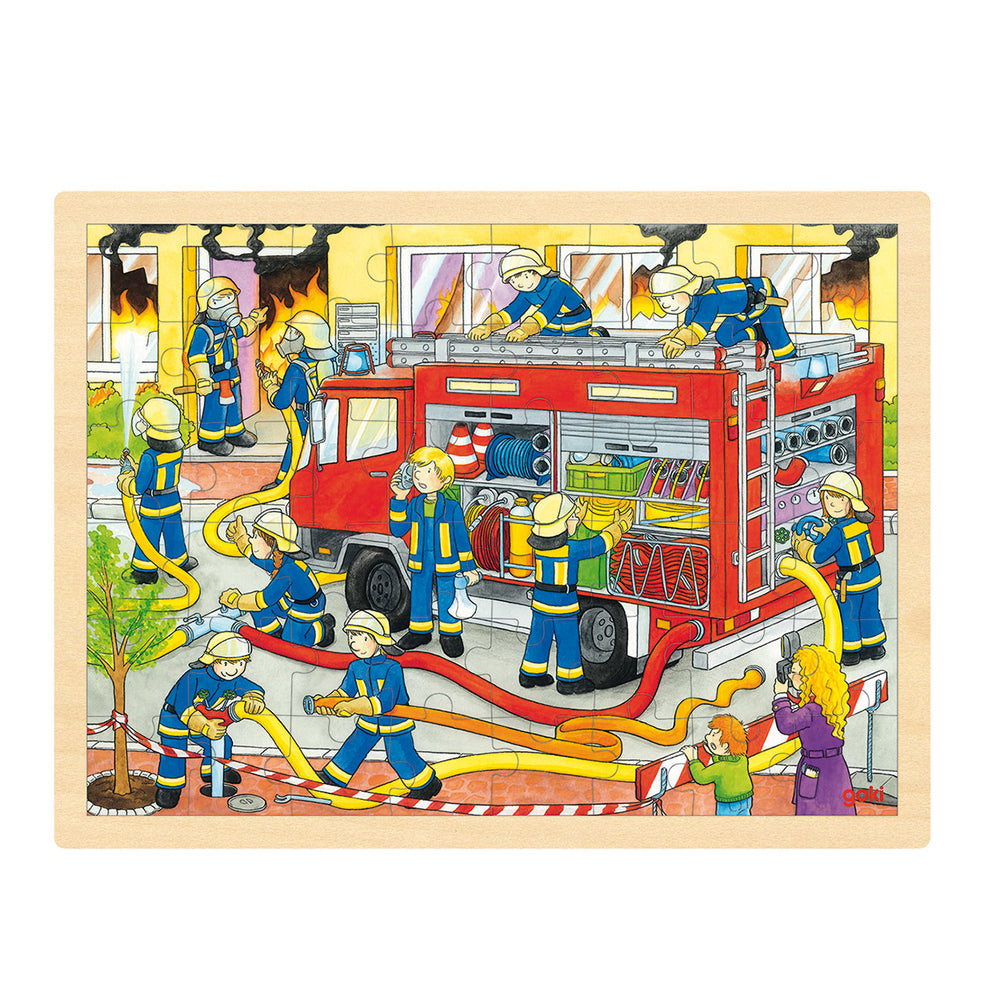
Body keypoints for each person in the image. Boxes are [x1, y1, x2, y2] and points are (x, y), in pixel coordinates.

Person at [311, 610, 443, 801]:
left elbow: (386, 701)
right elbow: (345, 692)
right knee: (353, 747)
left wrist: (353, 706)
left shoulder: (392, 668)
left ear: (378, 639)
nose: (353, 643)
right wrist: (327, 702)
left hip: (394, 722)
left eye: (361, 637)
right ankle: (333, 778)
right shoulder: (356, 667)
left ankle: (427, 784)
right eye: (351, 636)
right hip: (368, 721)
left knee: (399, 756)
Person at [519, 493, 633, 695]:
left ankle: (530, 673)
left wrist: (577, 516)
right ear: (563, 525)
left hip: (540, 602)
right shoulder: (570, 550)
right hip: (563, 605)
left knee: (539, 637)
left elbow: (561, 531)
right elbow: (600, 544)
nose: (574, 520)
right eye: (571, 518)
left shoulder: (541, 548)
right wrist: (620, 526)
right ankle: (569, 681)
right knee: (568, 641)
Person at [153, 631, 266, 809]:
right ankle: (169, 788)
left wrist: (254, 698)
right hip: (174, 718)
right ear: (212, 660)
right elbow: (183, 707)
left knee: (224, 742)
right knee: (174, 752)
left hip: (204, 720)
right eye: (227, 663)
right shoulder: (193, 676)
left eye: (241, 663)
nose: (234, 669)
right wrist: (205, 726)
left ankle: (212, 771)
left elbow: (253, 688)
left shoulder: (235, 680)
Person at [389, 446, 480, 658]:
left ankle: (450, 634)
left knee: (448, 596)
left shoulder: (452, 508)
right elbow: (398, 530)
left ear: (445, 480)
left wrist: (469, 568)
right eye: (417, 471)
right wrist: (400, 498)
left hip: (447, 563)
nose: (420, 477)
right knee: (419, 596)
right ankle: (419, 632)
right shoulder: (414, 504)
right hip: (420, 561)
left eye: (428, 471)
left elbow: (462, 540)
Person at [791, 471, 885, 666]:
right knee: (869, 611)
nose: (832, 504)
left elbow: (817, 555)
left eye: (839, 500)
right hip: (871, 575)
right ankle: (875, 647)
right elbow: (848, 541)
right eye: (828, 499)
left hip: (851, 581)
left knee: (848, 614)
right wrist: (827, 531)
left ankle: (850, 653)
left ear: (850, 503)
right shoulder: (859, 523)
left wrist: (800, 544)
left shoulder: (837, 532)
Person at [221, 510, 336, 647]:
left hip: (308, 608)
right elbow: (257, 558)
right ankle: (275, 635)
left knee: (293, 642)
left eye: (256, 536)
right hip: (290, 601)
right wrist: (240, 538)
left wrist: (237, 601)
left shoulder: (289, 570)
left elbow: (264, 599)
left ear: (273, 543)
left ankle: (323, 627)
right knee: (258, 610)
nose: (252, 539)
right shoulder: (281, 560)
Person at [116, 395, 198, 585]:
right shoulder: (177, 451)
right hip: (172, 501)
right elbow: (158, 472)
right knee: (174, 535)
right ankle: (179, 564)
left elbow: (138, 487)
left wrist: (125, 476)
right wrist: (135, 466)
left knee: (148, 538)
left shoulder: (149, 456)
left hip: (152, 506)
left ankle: (145, 572)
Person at [186, 276, 268, 456]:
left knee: (234, 405)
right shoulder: (203, 331)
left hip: (232, 375)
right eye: (219, 301)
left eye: (230, 298)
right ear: (206, 306)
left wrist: (254, 320)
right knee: (216, 408)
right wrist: (202, 378)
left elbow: (243, 328)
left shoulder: (228, 327)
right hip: (216, 378)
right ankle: (210, 440)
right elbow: (196, 356)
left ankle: (235, 432)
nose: (228, 304)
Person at [772, 644, 856, 815]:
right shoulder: (830, 701)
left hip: (814, 770)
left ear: (809, 677)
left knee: (812, 814)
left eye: (795, 673)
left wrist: (780, 696)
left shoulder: (811, 710)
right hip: (836, 767)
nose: (790, 676)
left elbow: (786, 725)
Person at [649, 264, 796, 362]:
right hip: (742, 308)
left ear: (689, 289)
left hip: (762, 296)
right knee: (725, 336)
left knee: (779, 340)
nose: (666, 305)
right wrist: (674, 336)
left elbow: (696, 333)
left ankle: (790, 364)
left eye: (672, 297)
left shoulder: (709, 299)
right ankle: (757, 332)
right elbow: (686, 326)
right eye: (660, 300)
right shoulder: (694, 300)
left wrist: (680, 341)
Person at [258, 309, 336, 490]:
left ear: (305, 337)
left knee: (296, 447)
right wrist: (280, 382)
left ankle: (284, 484)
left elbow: (282, 401)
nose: (287, 337)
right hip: (324, 416)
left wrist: (270, 387)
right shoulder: (327, 362)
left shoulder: (296, 367)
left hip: (304, 418)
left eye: (292, 332)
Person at [466, 247, 599, 341]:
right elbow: (511, 312)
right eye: (511, 280)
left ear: (535, 271)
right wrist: (487, 327)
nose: (517, 283)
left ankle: (598, 334)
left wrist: (524, 330)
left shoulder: (558, 286)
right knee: (546, 343)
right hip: (552, 320)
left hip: (576, 317)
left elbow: (546, 311)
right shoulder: (526, 292)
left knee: (576, 344)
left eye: (519, 276)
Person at [682, 715, 754, 815]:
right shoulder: (742, 759)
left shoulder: (720, 768)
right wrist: (714, 753)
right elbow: (724, 757)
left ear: (725, 746)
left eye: (713, 735)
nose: (707, 737)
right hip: (746, 799)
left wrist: (693, 760)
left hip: (728, 803)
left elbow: (701, 777)